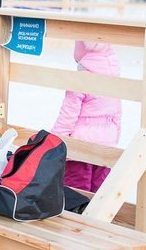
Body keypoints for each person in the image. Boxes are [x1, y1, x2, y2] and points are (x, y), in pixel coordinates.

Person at [51, 41, 122, 193]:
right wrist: (115, 136)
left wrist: (56, 139)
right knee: (100, 189)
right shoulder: (114, 76)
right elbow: (117, 111)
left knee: (76, 189)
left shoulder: (82, 78)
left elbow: (68, 113)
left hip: (81, 142)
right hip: (106, 142)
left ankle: (78, 209)